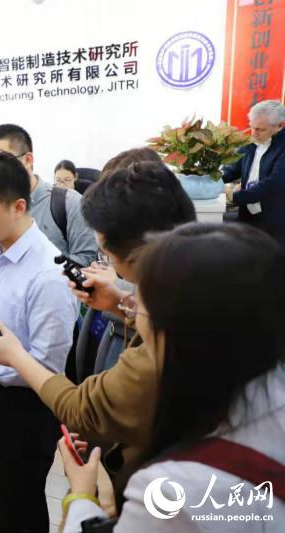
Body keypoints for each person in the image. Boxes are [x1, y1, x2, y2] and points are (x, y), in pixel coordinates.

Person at [0, 162, 198, 514]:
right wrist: (120, 303)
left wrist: (17, 356)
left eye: (107, 255)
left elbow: (80, 409)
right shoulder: (193, 276)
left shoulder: (154, 354)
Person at [59, 223, 285, 532]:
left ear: (175, 332)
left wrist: (82, 496)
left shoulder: (168, 492)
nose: (131, 312)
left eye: (140, 306)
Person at [0, 151, 79, 533]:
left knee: (20, 504)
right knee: (9, 493)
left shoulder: (48, 274)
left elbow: (47, 370)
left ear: (18, 206)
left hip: (29, 408)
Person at [0, 124, 99, 267]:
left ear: (28, 160)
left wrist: (35, 272)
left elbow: (86, 259)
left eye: (1, 161)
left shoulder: (68, 202)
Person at [224, 100, 285, 248]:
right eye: (252, 127)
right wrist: (206, 178)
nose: (254, 134)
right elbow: (231, 170)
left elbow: (275, 184)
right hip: (247, 216)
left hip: (275, 219)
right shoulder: (250, 143)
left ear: (280, 125)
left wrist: (235, 197)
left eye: (261, 130)